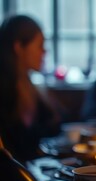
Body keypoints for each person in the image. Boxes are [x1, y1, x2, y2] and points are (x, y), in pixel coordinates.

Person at [0, 15, 62, 163]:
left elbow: (55, 124)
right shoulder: (5, 91)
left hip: (36, 170)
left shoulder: (29, 86)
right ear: (18, 47)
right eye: (40, 46)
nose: (44, 52)